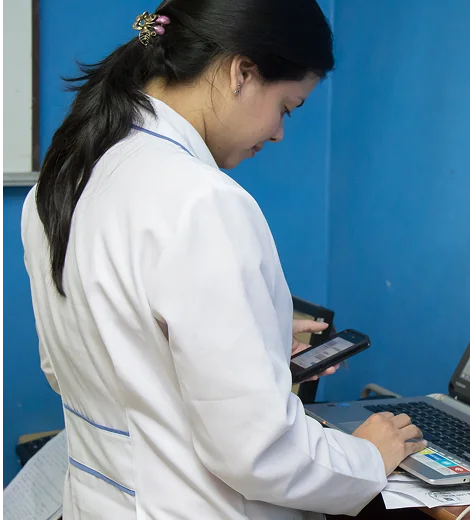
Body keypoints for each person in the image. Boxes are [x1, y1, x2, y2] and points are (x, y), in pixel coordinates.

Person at [21, 1, 426, 518]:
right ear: (242, 72)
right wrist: (368, 455)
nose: (279, 133)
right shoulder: (201, 200)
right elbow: (257, 452)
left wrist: (255, 341)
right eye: (287, 107)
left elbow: (73, 365)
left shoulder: (62, 182)